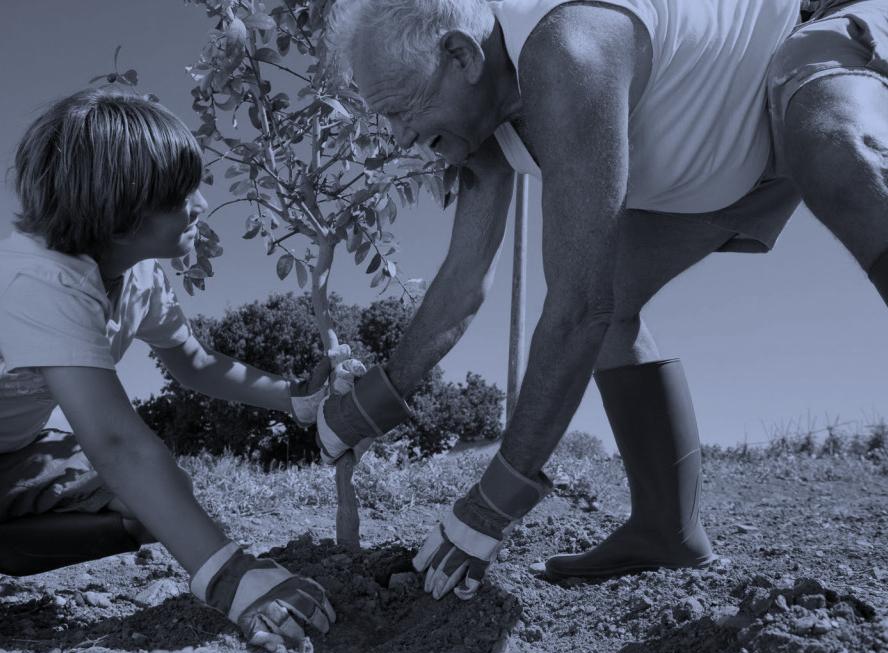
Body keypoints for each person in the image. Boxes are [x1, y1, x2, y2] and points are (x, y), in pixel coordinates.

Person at [314, 0, 888, 601]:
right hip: (736, 165)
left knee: (830, 139)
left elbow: (574, 308)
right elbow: (462, 281)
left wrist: (491, 506)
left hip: (809, 40)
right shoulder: (480, 133)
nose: (401, 135)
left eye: (406, 107)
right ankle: (667, 530)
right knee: (614, 306)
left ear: (462, 55)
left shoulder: (568, 47)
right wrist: (369, 403)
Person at [0, 88, 362, 651]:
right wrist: (228, 576)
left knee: (156, 503)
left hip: (13, 454)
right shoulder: (38, 280)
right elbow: (116, 443)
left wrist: (296, 400)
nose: (200, 205)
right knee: (143, 482)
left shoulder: (138, 277)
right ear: (122, 220)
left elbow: (192, 362)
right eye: (180, 197)